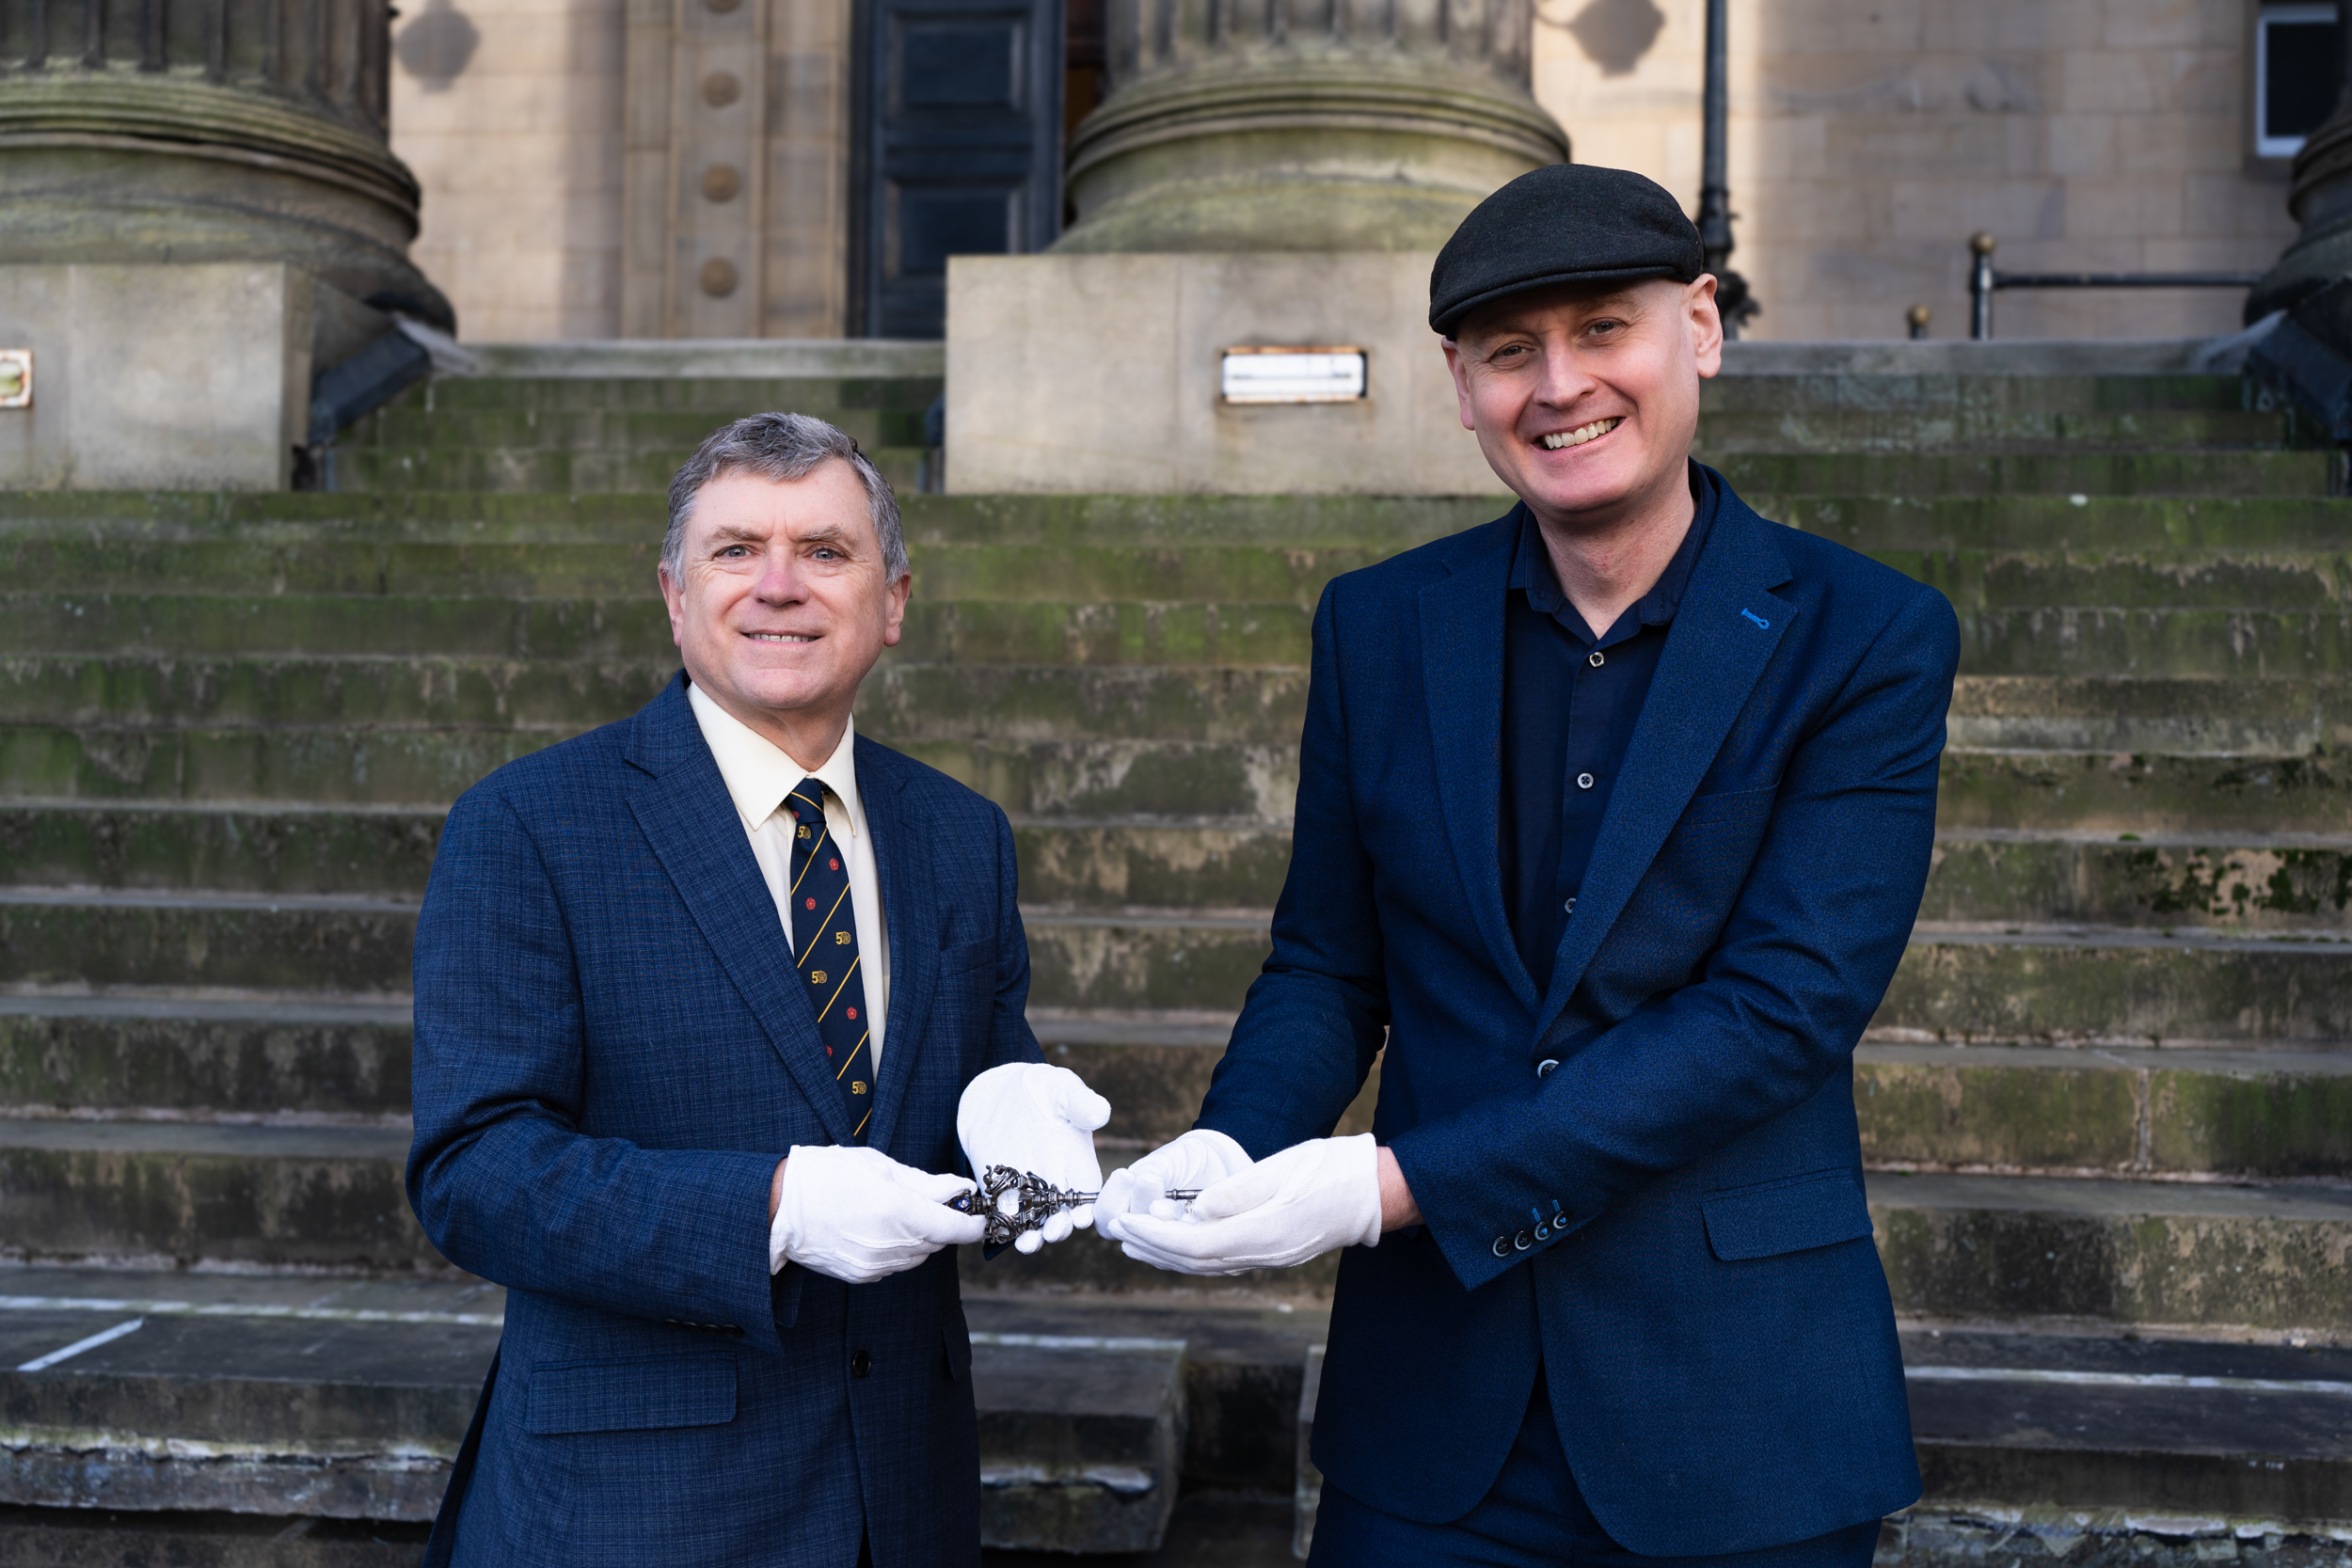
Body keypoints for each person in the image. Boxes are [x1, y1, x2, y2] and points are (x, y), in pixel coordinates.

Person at [1097, 164, 1956, 1565]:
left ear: (1699, 326)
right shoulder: (1377, 624)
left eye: (1602, 330)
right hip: (1432, 1417)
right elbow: (1329, 958)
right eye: (1510, 351)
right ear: (1460, 381)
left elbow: (1780, 1009)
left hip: (1739, 1406)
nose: (1559, 386)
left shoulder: (1866, 634)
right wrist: (1233, 1135)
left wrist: (1387, 1183)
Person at [406, 413, 1112, 1567]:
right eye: (737, 549)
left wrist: (1016, 1117)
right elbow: (474, 1170)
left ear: (892, 600)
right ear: (675, 596)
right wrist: (773, 1207)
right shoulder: (529, 823)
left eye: (825, 552)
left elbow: (983, 1068)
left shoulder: (959, 833)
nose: (779, 584)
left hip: (906, 1495)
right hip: (636, 1507)